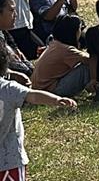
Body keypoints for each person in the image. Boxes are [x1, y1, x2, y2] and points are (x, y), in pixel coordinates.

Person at [0, 41, 78, 180]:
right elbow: (33, 96)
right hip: (9, 161)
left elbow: (33, 95)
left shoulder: (8, 88)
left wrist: (56, 100)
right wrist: (56, 100)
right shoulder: (8, 88)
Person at [32, 15, 91, 97]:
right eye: (80, 29)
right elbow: (91, 60)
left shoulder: (55, 44)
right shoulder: (67, 50)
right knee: (86, 67)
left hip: (41, 88)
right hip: (51, 91)